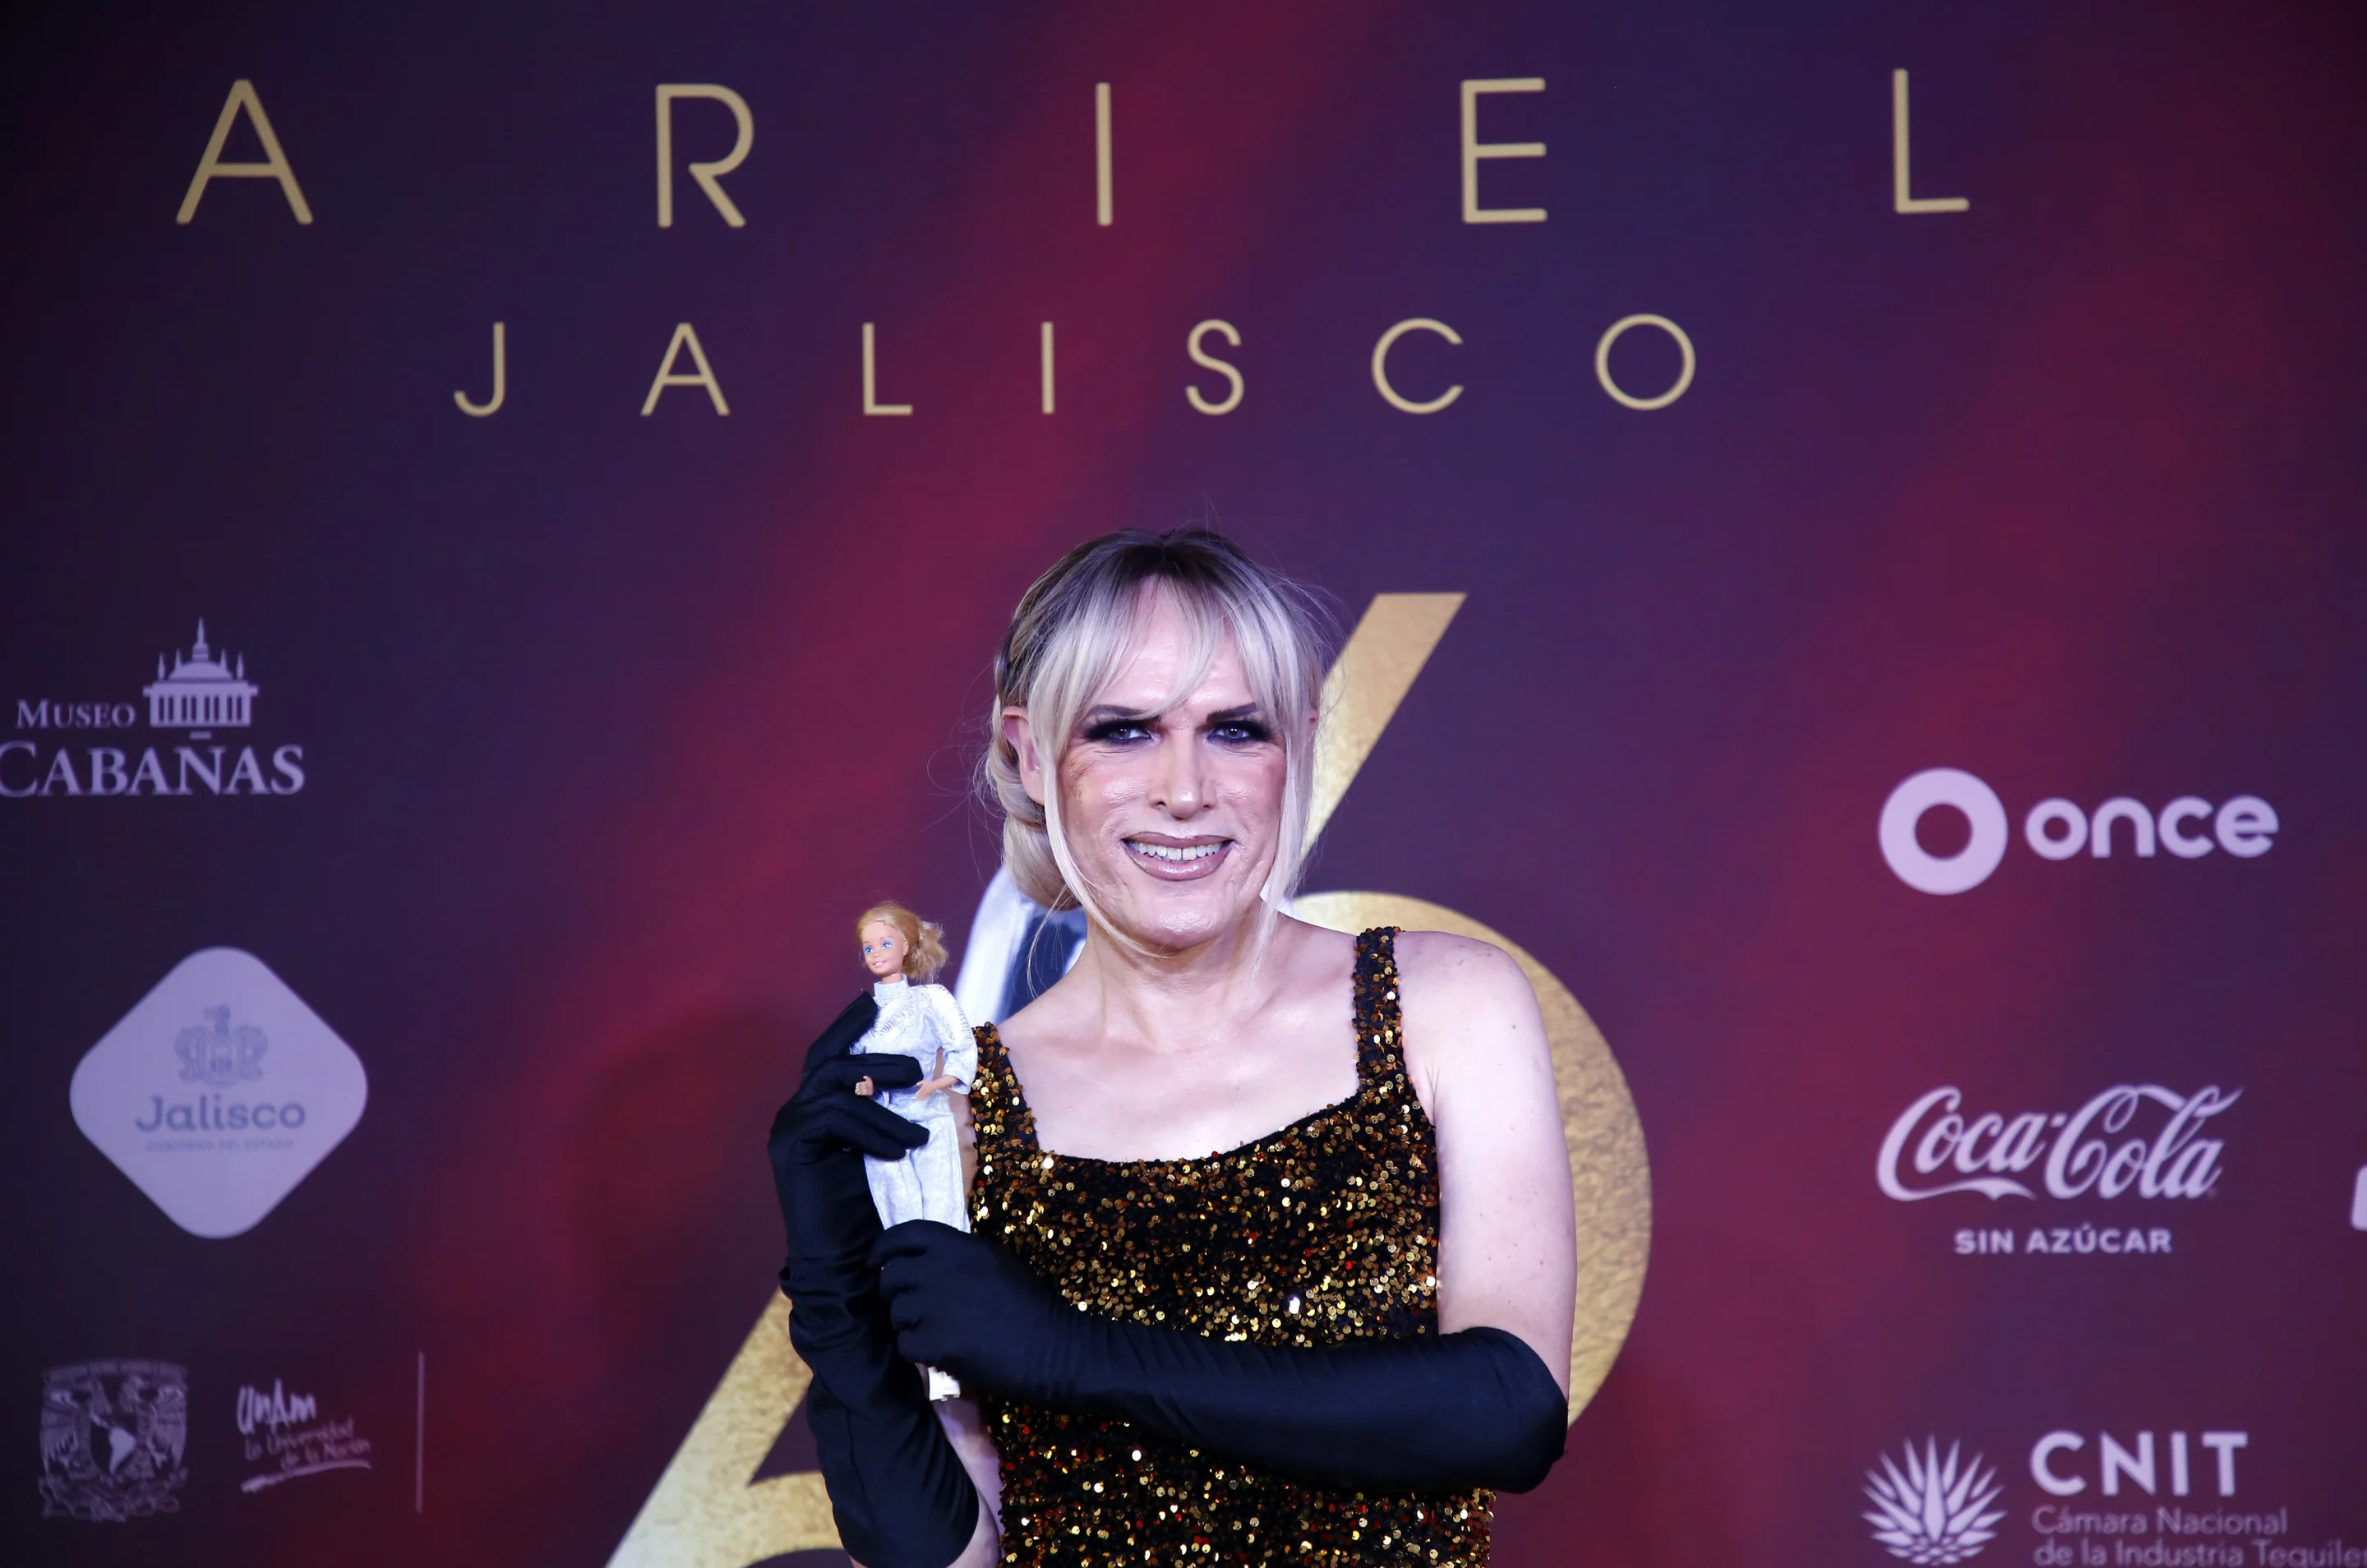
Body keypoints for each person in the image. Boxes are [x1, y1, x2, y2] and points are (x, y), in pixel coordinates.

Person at [770, 528, 1576, 1568]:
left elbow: (1504, 1411)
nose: (1186, 789)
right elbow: (944, 1558)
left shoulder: (1445, 1007)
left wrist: (1076, 1356)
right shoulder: (963, 1110)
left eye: (1237, 730)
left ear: (1303, 743)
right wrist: (838, 1305)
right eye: (1125, 731)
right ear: (1027, 753)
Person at [846, 902, 976, 1400]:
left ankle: (951, 1370)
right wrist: (860, 1089)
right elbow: (854, 1068)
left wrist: (937, 1084)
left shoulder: (930, 1000)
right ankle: (921, 1368)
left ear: (906, 945)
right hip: (882, 1130)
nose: (877, 954)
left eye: (884, 943)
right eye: (868, 947)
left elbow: (963, 1049)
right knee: (899, 1233)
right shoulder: (864, 1014)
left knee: (941, 1227)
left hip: (928, 1122)